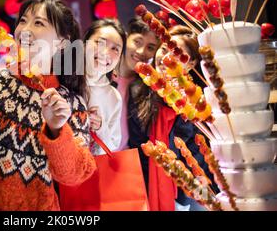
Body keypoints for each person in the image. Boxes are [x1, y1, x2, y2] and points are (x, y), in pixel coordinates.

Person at [0, 0, 96, 211]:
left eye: (38, 23)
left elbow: (74, 175)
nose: (24, 30)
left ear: (62, 43)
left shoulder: (72, 104)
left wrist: (56, 129)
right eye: (22, 20)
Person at [128, 25, 214, 211]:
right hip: (153, 186)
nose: (166, 58)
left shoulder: (201, 99)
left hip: (196, 188)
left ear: (190, 64)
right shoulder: (138, 92)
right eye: (164, 50)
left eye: (177, 54)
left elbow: (201, 149)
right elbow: (137, 145)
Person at [115, 16, 160, 150]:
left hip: (129, 162)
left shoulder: (148, 91)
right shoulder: (100, 75)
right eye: (137, 42)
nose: (141, 52)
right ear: (125, 38)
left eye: (150, 48)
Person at [83, 19, 126, 155]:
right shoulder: (62, 79)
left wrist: (101, 127)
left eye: (115, 49)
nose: (106, 52)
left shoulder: (113, 96)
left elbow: (113, 145)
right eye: (100, 43)